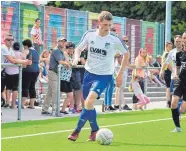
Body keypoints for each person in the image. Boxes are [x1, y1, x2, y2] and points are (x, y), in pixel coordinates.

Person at [68, 11, 129, 141]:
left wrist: (119, 75)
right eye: (105, 24)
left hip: (104, 76)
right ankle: (94, 130)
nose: (107, 27)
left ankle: (76, 131)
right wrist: (76, 58)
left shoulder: (114, 39)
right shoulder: (89, 35)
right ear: (99, 23)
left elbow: (126, 54)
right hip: (88, 74)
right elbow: (78, 49)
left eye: (109, 25)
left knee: (89, 101)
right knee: (87, 105)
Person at [41, 37, 71, 115]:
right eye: (61, 41)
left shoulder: (61, 51)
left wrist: (67, 63)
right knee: (56, 91)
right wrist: (66, 64)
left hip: (56, 73)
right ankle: (55, 110)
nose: (63, 43)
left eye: (64, 41)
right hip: (53, 72)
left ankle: (44, 109)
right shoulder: (56, 50)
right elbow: (60, 61)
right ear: (58, 42)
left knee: (50, 92)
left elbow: (65, 61)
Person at [1, 34, 31, 102]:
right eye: (8, 40)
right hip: (5, 71)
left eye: (12, 40)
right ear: (4, 40)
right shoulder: (3, 48)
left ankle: (7, 102)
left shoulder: (10, 49)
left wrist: (25, 61)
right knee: (7, 88)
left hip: (4, 71)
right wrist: (25, 61)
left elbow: (15, 59)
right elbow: (12, 60)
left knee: (5, 88)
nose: (10, 41)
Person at [160, 35, 183, 107]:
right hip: (174, 77)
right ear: (174, 42)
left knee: (181, 96)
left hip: (184, 77)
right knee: (174, 95)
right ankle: (177, 113)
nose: (178, 43)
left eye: (179, 41)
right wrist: (161, 70)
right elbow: (166, 62)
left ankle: (184, 106)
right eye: (176, 41)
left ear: (182, 42)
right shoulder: (172, 52)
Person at [21, 39, 40, 109]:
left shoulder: (26, 50)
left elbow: (23, 60)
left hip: (28, 70)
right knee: (32, 87)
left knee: (25, 87)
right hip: (36, 71)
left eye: (23, 46)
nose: (23, 47)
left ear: (26, 45)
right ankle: (32, 105)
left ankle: (22, 104)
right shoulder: (36, 51)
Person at [5, 42, 25, 108]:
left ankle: (7, 102)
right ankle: (13, 105)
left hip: (8, 72)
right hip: (16, 73)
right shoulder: (21, 54)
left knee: (8, 87)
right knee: (15, 88)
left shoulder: (10, 52)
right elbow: (24, 63)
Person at [60, 43, 74, 114]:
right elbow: (69, 63)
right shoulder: (64, 54)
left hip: (67, 78)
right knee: (59, 95)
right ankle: (55, 109)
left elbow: (72, 63)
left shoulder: (72, 56)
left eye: (72, 48)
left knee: (70, 95)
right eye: (70, 48)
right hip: (62, 78)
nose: (71, 50)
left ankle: (63, 110)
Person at [161, 41, 173, 109]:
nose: (170, 48)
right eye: (169, 47)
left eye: (171, 47)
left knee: (168, 87)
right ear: (166, 47)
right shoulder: (167, 54)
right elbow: (167, 64)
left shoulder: (167, 53)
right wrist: (173, 70)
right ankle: (168, 102)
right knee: (168, 87)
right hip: (168, 71)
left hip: (167, 71)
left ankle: (169, 101)